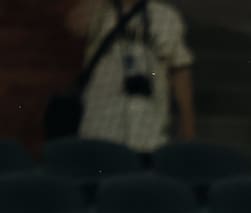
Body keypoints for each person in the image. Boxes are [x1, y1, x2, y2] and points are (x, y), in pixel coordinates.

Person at [66, 0, 196, 153]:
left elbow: (179, 70)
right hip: (100, 125)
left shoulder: (165, 16)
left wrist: (187, 122)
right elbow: (75, 26)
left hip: (148, 128)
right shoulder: (100, 11)